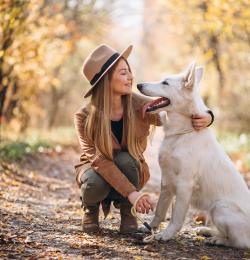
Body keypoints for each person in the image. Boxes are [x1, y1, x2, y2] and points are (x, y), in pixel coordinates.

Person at [74, 44, 214, 234]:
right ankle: (90, 209)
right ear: (106, 80)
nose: (131, 77)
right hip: (97, 171)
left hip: (129, 169)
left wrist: (208, 116)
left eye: (129, 71)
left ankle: (127, 212)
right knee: (93, 181)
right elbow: (98, 160)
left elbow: (180, 105)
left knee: (127, 160)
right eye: (123, 73)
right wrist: (133, 193)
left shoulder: (140, 104)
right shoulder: (83, 117)